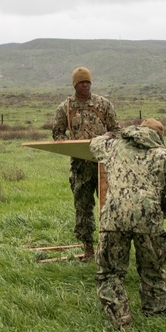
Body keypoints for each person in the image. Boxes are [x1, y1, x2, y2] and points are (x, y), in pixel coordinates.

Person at [89, 119, 166, 330]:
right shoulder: (165, 156)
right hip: (150, 219)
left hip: (114, 218)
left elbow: (94, 144)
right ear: (159, 137)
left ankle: (121, 318)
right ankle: (155, 313)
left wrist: (108, 135)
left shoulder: (114, 146)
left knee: (110, 272)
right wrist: (163, 209)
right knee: (152, 269)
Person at [52, 66, 120, 260]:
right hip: (80, 165)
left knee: (109, 206)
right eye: (82, 82)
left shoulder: (103, 104)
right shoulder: (65, 108)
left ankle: (110, 248)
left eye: (88, 82)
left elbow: (117, 129)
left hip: (104, 164)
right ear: (75, 85)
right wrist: (68, 145)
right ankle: (88, 249)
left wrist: (108, 135)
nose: (85, 85)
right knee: (83, 207)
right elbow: (57, 133)